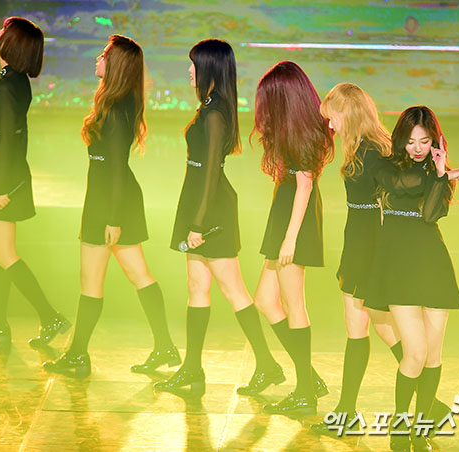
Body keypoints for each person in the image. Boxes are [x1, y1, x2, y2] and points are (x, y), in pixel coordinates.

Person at [311, 85, 451, 438]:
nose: (330, 125)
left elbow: (402, 186)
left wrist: (440, 175)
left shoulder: (372, 151)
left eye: (332, 117)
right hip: (361, 239)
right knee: (377, 326)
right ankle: (428, 403)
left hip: (371, 243)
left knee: (362, 327)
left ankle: (349, 414)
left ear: (348, 113)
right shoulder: (363, 146)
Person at [43, 35, 179, 379]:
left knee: (93, 280)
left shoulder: (117, 109)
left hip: (111, 204)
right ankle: (164, 346)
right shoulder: (116, 103)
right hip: (111, 200)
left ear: (115, 65)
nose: (98, 59)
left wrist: (113, 218)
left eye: (104, 55)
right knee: (137, 275)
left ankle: (78, 355)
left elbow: (117, 167)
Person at [154, 39, 282, 397]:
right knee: (197, 287)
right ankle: (192, 369)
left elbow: (211, 171)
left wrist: (197, 223)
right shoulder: (211, 107)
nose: (189, 71)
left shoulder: (214, 113)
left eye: (194, 64)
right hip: (199, 203)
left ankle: (267, 364)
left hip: (210, 210)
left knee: (234, 290)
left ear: (210, 68)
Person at [364, 106, 459, 452]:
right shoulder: (386, 166)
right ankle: (399, 428)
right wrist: (442, 175)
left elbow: (430, 215)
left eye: (424, 142)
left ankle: (421, 428)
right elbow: (402, 183)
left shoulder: (435, 173)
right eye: (411, 141)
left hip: (432, 264)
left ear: (434, 141)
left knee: (433, 355)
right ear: (401, 139)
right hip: (399, 266)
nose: (416, 148)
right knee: (414, 353)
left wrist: (441, 174)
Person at [0, 17, 70, 348]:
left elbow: (11, 139)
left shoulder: (11, 84)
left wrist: (2, 188)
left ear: (13, 43)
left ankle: (50, 316)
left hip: (3, 179)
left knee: (5, 254)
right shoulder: (11, 80)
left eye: (3, 31)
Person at [250, 61, 333, 415]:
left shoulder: (301, 132)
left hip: (295, 222)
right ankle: (308, 378)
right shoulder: (293, 128)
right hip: (284, 215)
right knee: (265, 301)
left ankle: (305, 392)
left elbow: (305, 184)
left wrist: (290, 239)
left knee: (294, 305)